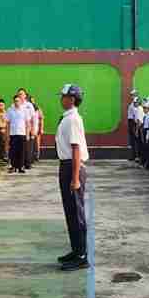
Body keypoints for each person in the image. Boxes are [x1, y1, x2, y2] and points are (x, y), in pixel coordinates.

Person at [56, 84, 90, 271]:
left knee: (77, 213)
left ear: (72, 99)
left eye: (63, 96)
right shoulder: (67, 118)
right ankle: (76, 250)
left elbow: (76, 149)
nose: (61, 99)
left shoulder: (73, 119)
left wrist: (75, 178)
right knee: (70, 211)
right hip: (66, 166)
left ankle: (82, 255)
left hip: (72, 167)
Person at [7, 94, 29, 173]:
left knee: (21, 151)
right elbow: (8, 123)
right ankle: (13, 166)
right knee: (13, 151)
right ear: (13, 101)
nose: (17, 102)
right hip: (13, 134)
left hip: (22, 133)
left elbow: (27, 123)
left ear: (20, 101)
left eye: (18, 101)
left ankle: (21, 166)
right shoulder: (10, 110)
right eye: (15, 101)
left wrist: (27, 134)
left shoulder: (24, 110)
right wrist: (8, 135)